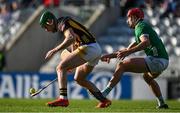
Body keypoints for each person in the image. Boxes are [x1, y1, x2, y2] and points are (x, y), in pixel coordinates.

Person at [39, 11, 111, 108]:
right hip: (95, 48)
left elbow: (71, 38)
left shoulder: (62, 23)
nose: (46, 30)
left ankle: (63, 99)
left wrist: (54, 50)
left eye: (45, 27)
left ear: (50, 21)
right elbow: (74, 42)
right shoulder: (64, 23)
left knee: (60, 68)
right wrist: (71, 62)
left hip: (88, 48)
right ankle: (104, 100)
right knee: (79, 79)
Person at [101, 8, 169, 109]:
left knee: (122, 65)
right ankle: (161, 103)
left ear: (133, 17)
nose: (127, 21)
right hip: (164, 60)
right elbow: (126, 50)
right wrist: (109, 56)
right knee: (147, 77)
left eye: (128, 18)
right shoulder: (142, 28)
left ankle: (104, 94)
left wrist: (128, 52)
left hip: (157, 60)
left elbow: (146, 43)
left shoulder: (140, 27)